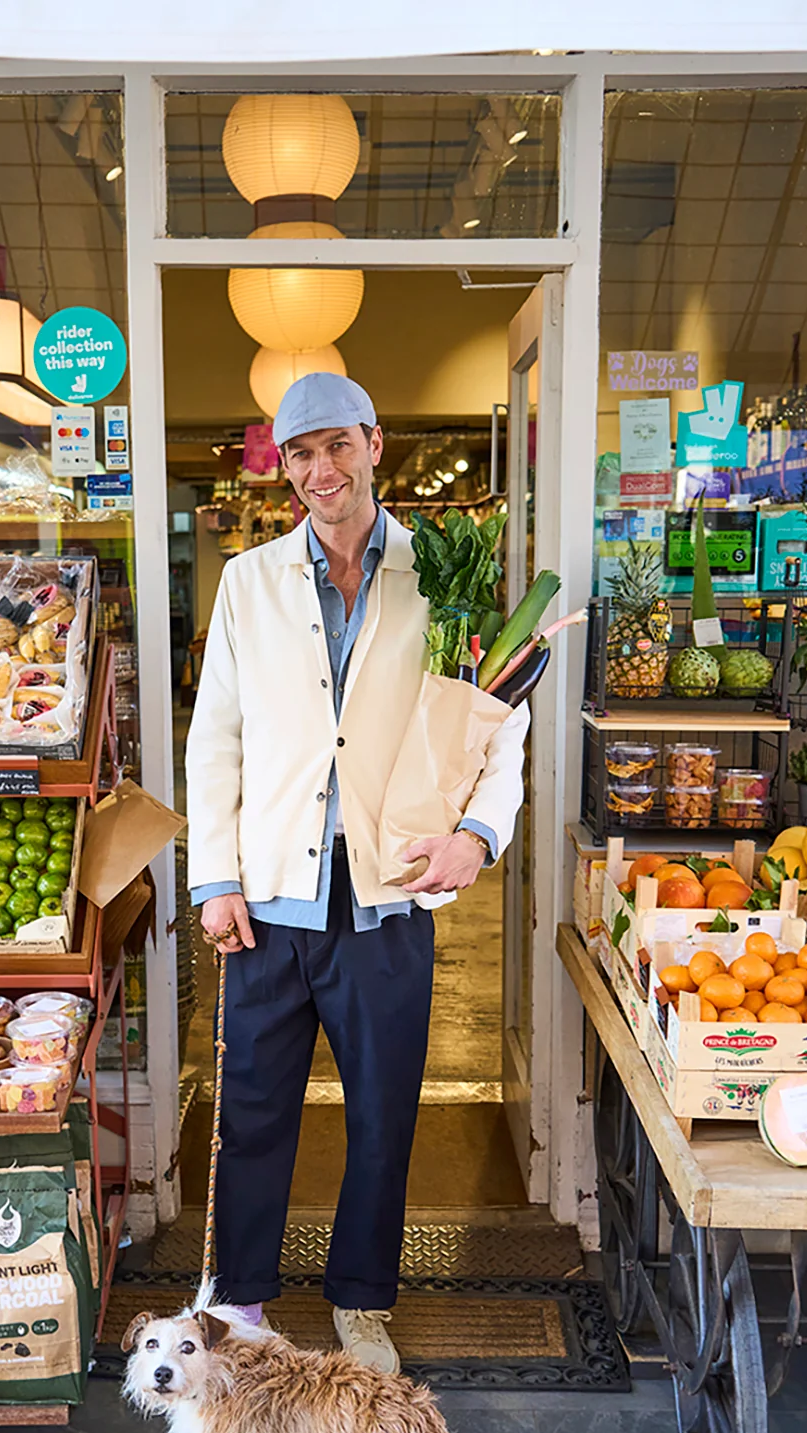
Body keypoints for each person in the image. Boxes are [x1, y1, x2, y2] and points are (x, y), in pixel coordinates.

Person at [186, 373, 529, 1373]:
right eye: (300, 453)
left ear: (374, 443)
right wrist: (215, 878)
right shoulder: (249, 581)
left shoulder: (442, 573)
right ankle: (241, 1299)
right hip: (268, 899)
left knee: (383, 1115)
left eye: (336, 444)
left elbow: (496, 722)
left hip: (389, 896)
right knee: (254, 1111)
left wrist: (478, 835)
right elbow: (216, 739)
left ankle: (362, 1300)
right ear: (283, 467)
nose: (319, 469)